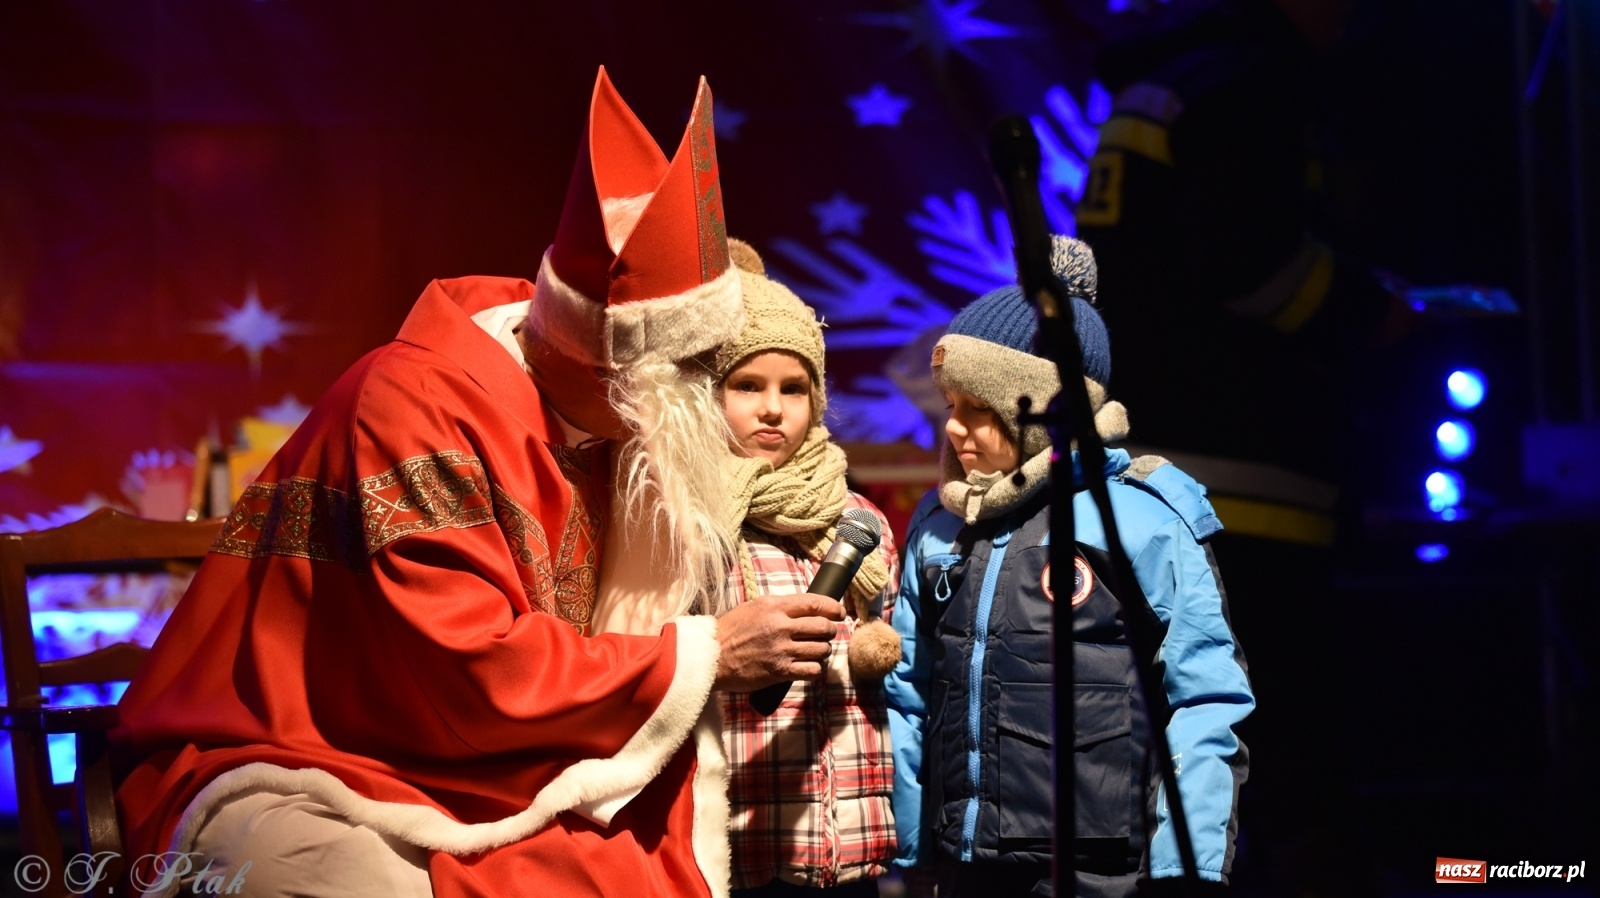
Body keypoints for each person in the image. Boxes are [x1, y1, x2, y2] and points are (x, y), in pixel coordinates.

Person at [110, 68, 846, 898]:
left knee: (624, 861)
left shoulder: (617, 428)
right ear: (620, 370)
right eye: (688, 373)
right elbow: (468, 666)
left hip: (497, 752)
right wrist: (709, 650)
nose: (709, 399)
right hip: (307, 747)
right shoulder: (416, 407)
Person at [1073, 2, 1409, 891]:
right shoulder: (1246, 81)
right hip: (1247, 475)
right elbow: (1252, 263)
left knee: (1177, 750)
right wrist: (1373, 312)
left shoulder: (1172, 78)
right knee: (1279, 749)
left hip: (1163, 470)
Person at [885, 237, 1253, 898]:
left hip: (1102, 873)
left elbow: (1203, 701)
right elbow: (907, 692)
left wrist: (1184, 869)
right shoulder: (940, 528)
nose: (953, 429)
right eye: (950, 407)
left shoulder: (1144, 521)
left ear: (1041, 411)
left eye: (980, 410)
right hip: (965, 867)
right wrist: (907, 851)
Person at [700, 239, 903, 896]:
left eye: (794, 388)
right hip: (742, 846)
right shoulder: (696, 522)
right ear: (708, 394)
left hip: (855, 852)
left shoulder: (856, 519)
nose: (772, 408)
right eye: (747, 386)